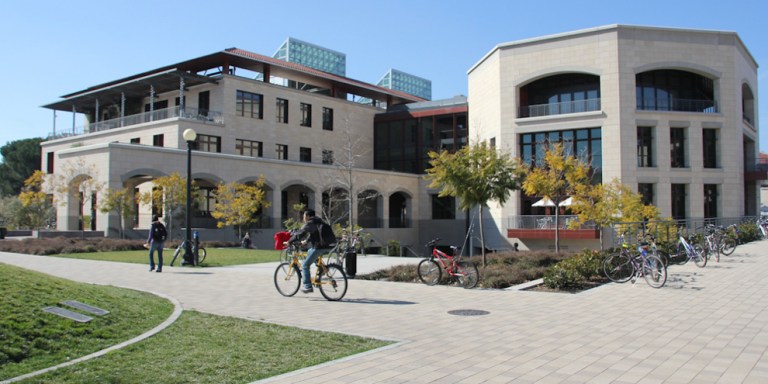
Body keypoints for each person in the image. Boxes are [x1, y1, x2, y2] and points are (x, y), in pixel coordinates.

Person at [286, 209, 333, 293]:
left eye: (304, 216)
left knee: (304, 265)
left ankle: (307, 286)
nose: (303, 218)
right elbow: (315, 234)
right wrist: (306, 241)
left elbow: (300, 233)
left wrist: (289, 241)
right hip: (328, 245)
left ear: (307, 216)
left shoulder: (310, 222)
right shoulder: (318, 221)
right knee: (309, 251)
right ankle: (323, 268)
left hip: (320, 247)